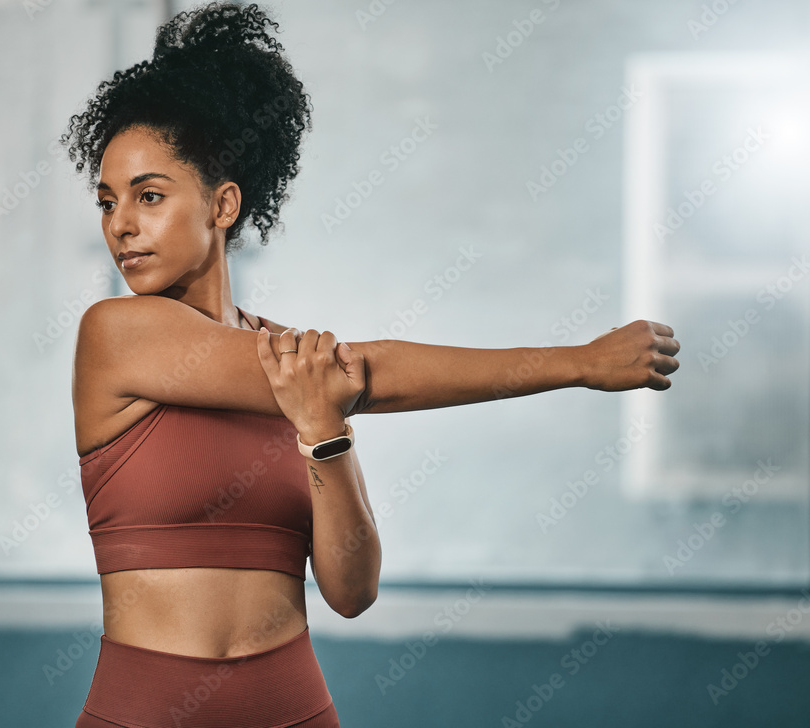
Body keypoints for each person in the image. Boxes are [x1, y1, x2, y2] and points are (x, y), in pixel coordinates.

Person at [59, 3, 681, 726]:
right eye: (107, 202)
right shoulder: (116, 333)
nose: (121, 225)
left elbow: (352, 592)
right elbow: (369, 374)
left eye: (150, 196)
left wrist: (325, 431)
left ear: (222, 204)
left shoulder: (299, 374)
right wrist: (575, 362)